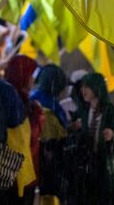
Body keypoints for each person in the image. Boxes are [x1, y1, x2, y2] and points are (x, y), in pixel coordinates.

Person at [77, 73, 114, 205]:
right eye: (82, 87)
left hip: (107, 171)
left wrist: (113, 136)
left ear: (96, 87)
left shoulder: (111, 111)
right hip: (88, 170)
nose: (83, 90)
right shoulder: (84, 111)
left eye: (87, 87)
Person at [3, 54, 45, 204]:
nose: (33, 80)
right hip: (15, 172)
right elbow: (29, 137)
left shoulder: (24, 99)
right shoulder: (13, 100)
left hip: (22, 171)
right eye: (31, 75)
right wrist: (38, 116)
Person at [30, 64, 69, 205]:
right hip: (47, 166)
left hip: (38, 163)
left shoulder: (35, 97)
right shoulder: (48, 105)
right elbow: (53, 137)